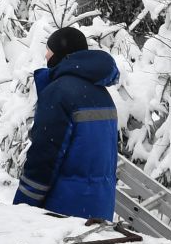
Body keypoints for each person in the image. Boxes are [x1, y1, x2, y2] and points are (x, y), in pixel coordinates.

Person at [13, 27, 119, 219]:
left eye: (49, 50)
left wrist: (22, 204)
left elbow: (44, 157)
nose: (46, 55)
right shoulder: (102, 94)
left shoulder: (59, 93)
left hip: (64, 210)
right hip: (100, 207)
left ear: (62, 54)